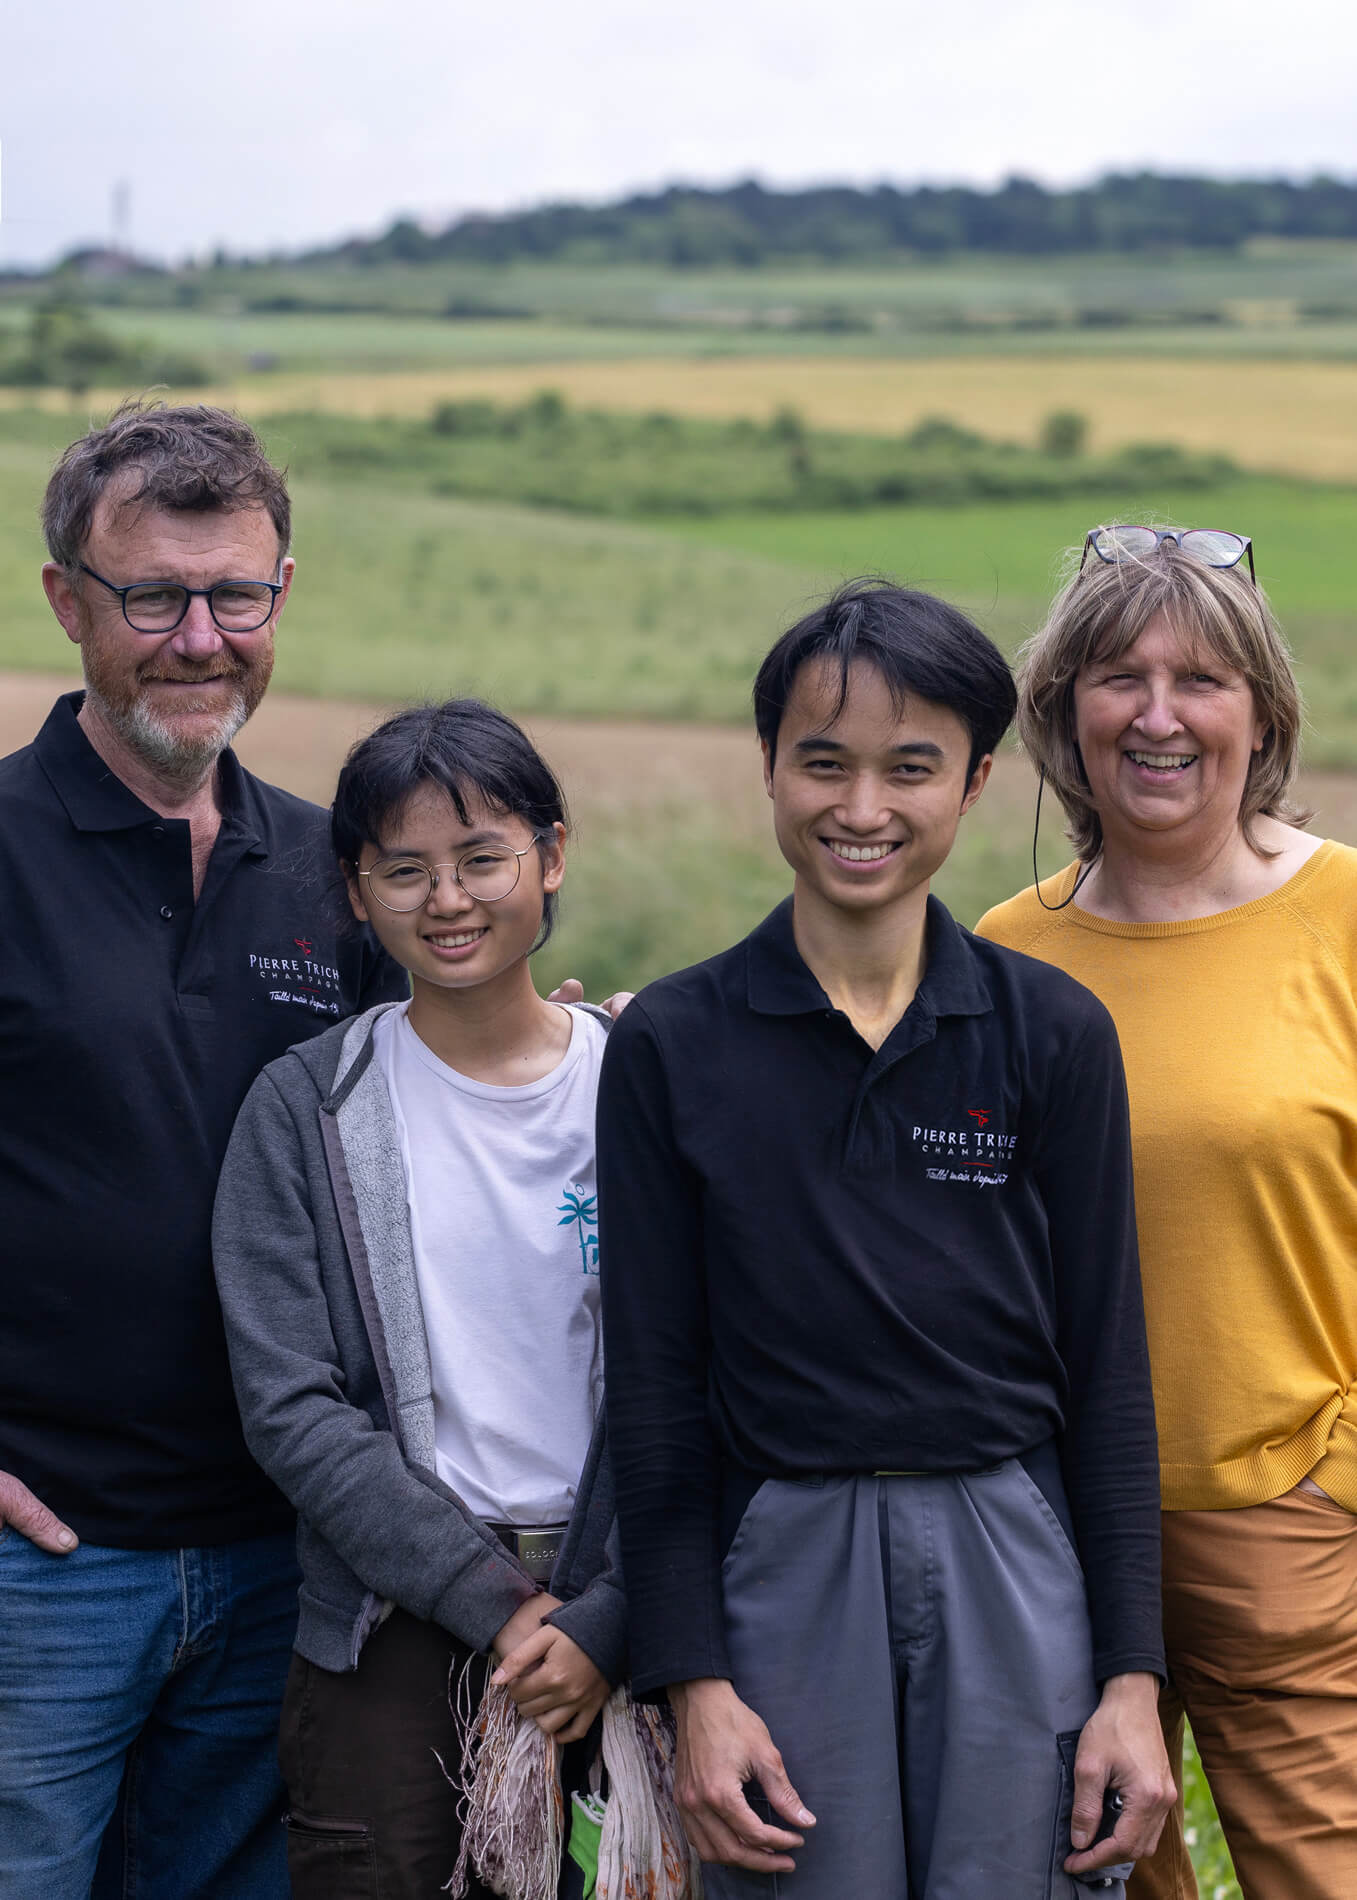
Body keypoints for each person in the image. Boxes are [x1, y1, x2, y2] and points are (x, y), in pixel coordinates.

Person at [596, 580, 1176, 1898]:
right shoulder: (672, 1048)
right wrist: (691, 1683)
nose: (862, 810)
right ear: (767, 769)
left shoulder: (1052, 1036)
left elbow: (1110, 1377)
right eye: (823, 764)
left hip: (1012, 1557)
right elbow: (653, 1396)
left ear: (974, 781)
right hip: (778, 1567)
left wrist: (1131, 1684)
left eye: (910, 769)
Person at [0, 400, 409, 1899]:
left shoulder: (336, 874)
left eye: (236, 594)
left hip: (276, 1561)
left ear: (280, 593)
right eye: (153, 597)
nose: (198, 636)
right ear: (66, 602)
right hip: (38, 1565)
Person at [977, 524, 1357, 1900]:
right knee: (1088, 1883)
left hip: (1291, 1525)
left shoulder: (1344, 918)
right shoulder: (1003, 958)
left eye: (1200, 679)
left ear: (1260, 714)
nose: (1156, 714)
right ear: (1060, 711)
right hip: (1055, 1538)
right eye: (1116, 676)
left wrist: (1338, 1473)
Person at [212, 700, 626, 1898]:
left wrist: (610, 1617)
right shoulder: (305, 1107)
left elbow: (715, 1377)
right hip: (391, 1626)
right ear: (355, 890)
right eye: (404, 870)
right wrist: (499, 1610)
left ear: (549, 857)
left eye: (482, 858)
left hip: (626, 1615)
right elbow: (291, 1406)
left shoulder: (646, 1087)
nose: (447, 899)